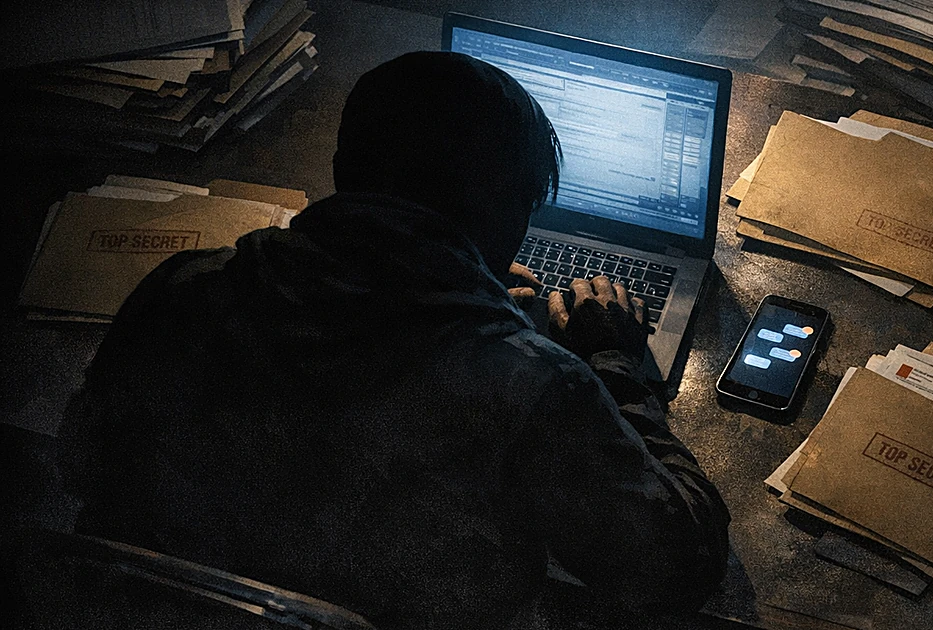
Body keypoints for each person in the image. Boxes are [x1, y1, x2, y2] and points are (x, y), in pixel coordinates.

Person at [57, 52, 729, 629]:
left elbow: (79, 461)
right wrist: (611, 362)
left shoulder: (187, 289)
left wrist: (471, 290)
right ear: (507, 215)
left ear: (347, 165)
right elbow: (678, 570)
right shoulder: (531, 386)